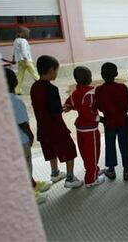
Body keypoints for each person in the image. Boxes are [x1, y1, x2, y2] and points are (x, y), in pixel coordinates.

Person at [30, 55, 83, 189]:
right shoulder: (52, 89)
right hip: (55, 127)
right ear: (50, 70)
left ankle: (55, 173)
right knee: (69, 148)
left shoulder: (34, 87)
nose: (56, 73)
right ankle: (70, 178)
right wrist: (62, 108)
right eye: (56, 70)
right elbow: (55, 111)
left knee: (50, 150)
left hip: (42, 127)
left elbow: (41, 106)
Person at [5, 68, 52, 204]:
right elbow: (22, 123)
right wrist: (30, 135)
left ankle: (32, 184)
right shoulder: (15, 100)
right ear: (13, 82)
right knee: (25, 165)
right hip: (20, 139)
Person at [64, 67, 105, 188]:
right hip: (90, 129)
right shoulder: (90, 93)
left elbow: (68, 104)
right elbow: (89, 113)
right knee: (93, 153)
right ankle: (91, 179)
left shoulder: (75, 92)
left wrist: (69, 107)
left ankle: (94, 170)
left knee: (85, 153)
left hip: (80, 129)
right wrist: (100, 119)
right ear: (89, 78)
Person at [95, 63, 128, 181]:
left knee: (110, 145)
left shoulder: (99, 90)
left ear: (102, 75)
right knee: (124, 145)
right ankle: (127, 170)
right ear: (116, 74)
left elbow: (99, 106)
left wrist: (103, 117)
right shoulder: (122, 87)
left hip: (109, 122)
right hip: (123, 121)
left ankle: (111, 170)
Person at [13, 27, 39, 95]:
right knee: (34, 73)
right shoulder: (23, 41)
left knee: (19, 76)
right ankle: (43, 87)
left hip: (20, 61)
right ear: (22, 33)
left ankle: (16, 90)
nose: (27, 34)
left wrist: (13, 58)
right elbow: (24, 51)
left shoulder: (16, 40)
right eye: (27, 33)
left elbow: (14, 51)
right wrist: (26, 60)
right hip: (26, 60)